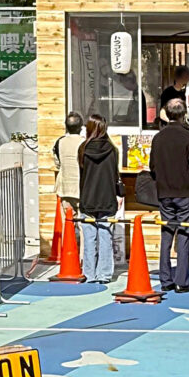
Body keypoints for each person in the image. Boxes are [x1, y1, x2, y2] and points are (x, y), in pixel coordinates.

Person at [149, 98, 189, 293]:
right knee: (184, 235)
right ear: (184, 114)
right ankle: (181, 280)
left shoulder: (158, 138)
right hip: (185, 192)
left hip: (164, 192)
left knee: (167, 234)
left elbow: (153, 167)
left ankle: (165, 279)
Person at [77, 114, 122, 284]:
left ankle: (89, 274)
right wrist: (119, 194)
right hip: (107, 198)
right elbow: (115, 175)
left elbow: (82, 176)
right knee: (105, 237)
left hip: (88, 198)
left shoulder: (83, 149)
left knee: (89, 240)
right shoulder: (112, 150)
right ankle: (104, 274)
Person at [52, 111, 84, 238]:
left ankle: (66, 249)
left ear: (66, 126)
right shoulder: (85, 142)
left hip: (64, 188)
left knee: (67, 224)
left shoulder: (59, 142)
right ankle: (83, 251)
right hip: (81, 189)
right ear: (81, 127)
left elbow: (57, 163)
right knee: (83, 226)